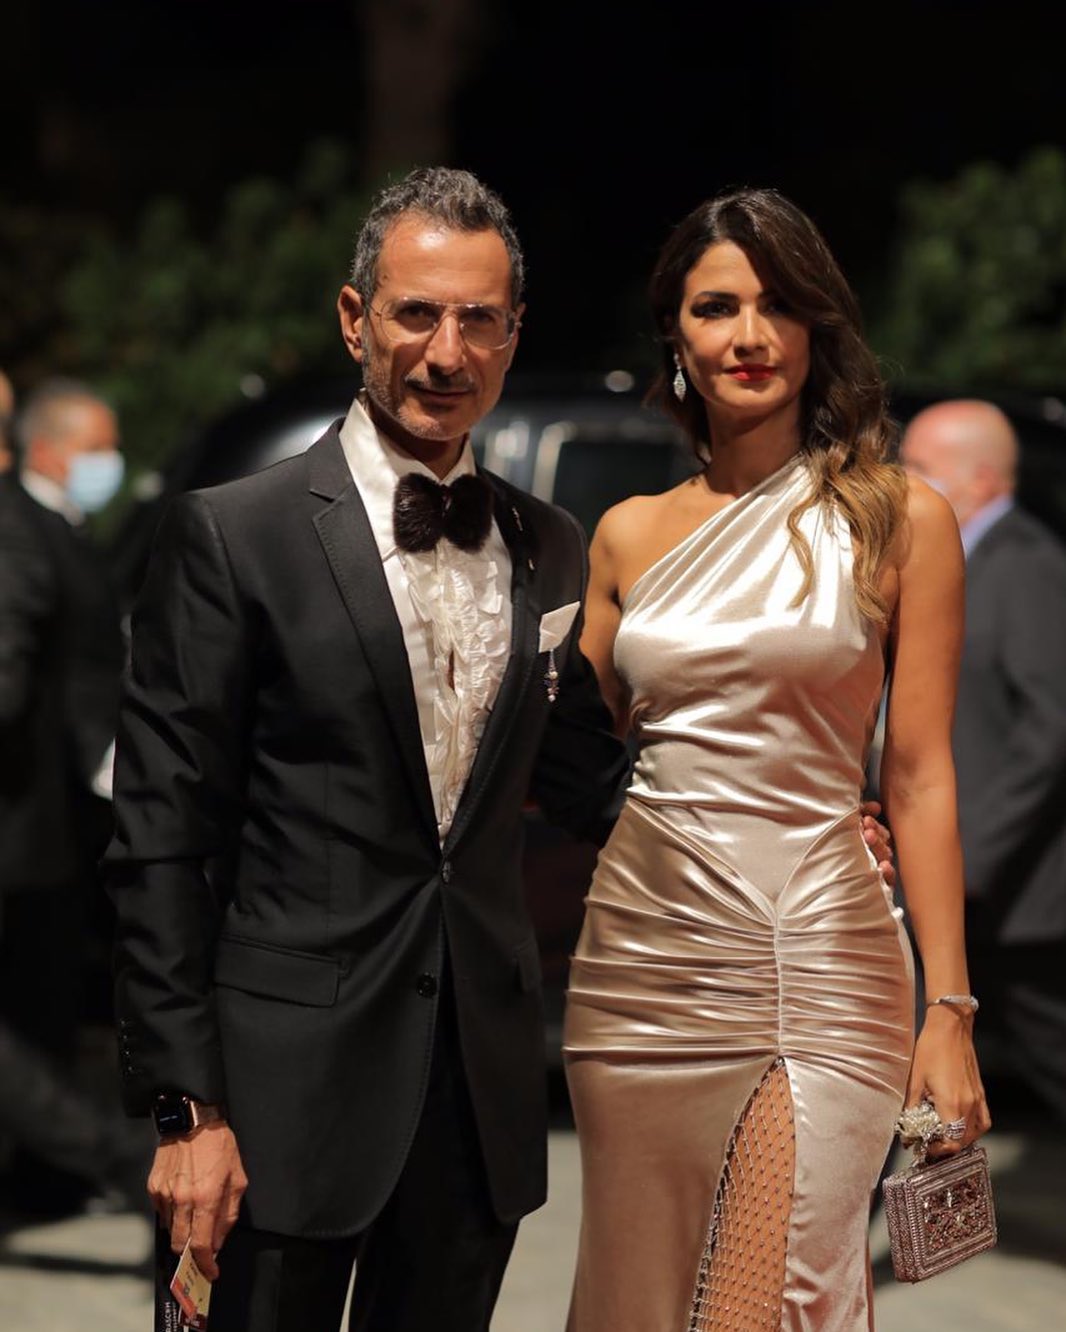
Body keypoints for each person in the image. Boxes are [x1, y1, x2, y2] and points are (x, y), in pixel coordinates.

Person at [103, 167, 633, 1332]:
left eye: (478, 320)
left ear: (512, 334)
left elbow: (589, 779)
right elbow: (160, 841)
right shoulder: (233, 536)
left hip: (476, 1099)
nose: (446, 353)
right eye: (416, 313)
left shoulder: (548, 544)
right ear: (355, 320)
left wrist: (791, 812)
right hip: (274, 1099)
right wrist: (187, 1109)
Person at [563, 189, 991, 1332]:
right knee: (639, 1303)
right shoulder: (625, 533)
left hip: (823, 958)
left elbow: (919, 777)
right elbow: (558, 759)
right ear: (675, 333)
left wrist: (949, 1009)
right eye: (717, 307)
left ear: (816, 329)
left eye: (778, 305)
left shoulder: (901, 519)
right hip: (641, 965)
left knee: (767, 1299)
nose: (749, 335)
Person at [902, 400, 1066, 1122]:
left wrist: (967, 860)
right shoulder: (959, 557)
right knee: (908, 1054)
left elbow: (1051, 729)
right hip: (970, 882)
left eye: (918, 466)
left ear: (983, 479)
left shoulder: (1027, 565)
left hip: (1015, 890)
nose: (900, 480)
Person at [0, 378, 128, 1209]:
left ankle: (62, 1172)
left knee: (38, 1006)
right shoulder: (20, 530)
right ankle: (101, 1159)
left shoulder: (40, 527)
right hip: (31, 812)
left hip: (43, 813)